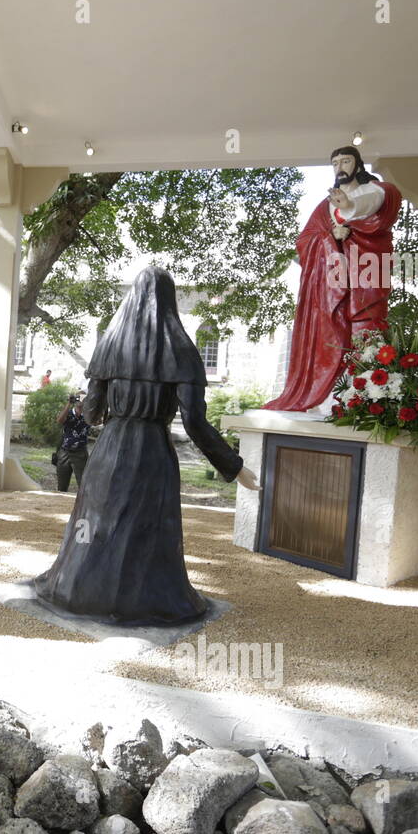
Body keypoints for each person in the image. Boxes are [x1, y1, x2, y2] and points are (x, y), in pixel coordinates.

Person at [34, 267, 259, 626]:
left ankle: (80, 592)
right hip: (152, 453)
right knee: (146, 532)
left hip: (108, 451)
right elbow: (195, 423)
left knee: (94, 526)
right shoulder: (183, 350)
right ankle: (142, 603)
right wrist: (233, 467)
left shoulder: (108, 345)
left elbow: (92, 413)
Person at [265, 144, 401, 413]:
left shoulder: (375, 191)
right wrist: (329, 239)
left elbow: (374, 209)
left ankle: (365, 394)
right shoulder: (325, 206)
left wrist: (349, 208)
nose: (340, 167)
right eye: (336, 162)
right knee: (332, 335)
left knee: (366, 333)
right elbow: (305, 240)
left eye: (346, 161)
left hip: (366, 275)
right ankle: (328, 395)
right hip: (333, 281)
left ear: (358, 164)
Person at [54, 392, 91, 492]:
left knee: (83, 484)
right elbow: (60, 420)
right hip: (65, 452)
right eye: (78, 399)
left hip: (80, 453)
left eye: (83, 399)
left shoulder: (88, 415)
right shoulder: (68, 413)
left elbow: (98, 421)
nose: (80, 402)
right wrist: (69, 403)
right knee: (62, 485)